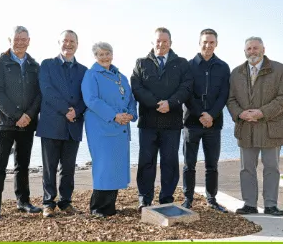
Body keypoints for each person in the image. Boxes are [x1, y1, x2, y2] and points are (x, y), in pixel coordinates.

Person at [227, 36, 283, 216]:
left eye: (256, 48)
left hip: (271, 128)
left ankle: (271, 205)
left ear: (264, 49)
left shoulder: (280, 69)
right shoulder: (236, 73)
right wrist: (240, 113)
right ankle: (249, 204)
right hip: (246, 128)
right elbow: (230, 99)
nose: (252, 52)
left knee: (271, 167)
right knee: (247, 169)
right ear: (244, 51)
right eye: (249, 49)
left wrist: (261, 112)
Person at [130, 27, 191, 210]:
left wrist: (171, 103)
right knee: (146, 161)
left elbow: (186, 87)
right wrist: (156, 103)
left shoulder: (181, 63)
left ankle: (166, 198)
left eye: (165, 41)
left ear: (170, 43)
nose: (161, 44)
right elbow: (136, 87)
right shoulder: (141, 63)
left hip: (172, 123)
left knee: (170, 162)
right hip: (148, 122)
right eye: (158, 41)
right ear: (152, 42)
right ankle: (144, 198)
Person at [0, 25, 42, 220]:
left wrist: (28, 115)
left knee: (23, 165)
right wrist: (17, 115)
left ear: (29, 41)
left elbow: (38, 94)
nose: (20, 42)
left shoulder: (35, 66)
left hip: (28, 124)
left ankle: (23, 201)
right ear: (9, 40)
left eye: (23, 39)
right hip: (5, 124)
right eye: (16, 39)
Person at [82, 42, 137, 218]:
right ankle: (98, 208)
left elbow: (130, 99)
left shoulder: (121, 77)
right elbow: (92, 100)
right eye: (101, 54)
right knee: (104, 166)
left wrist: (130, 114)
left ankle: (110, 207)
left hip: (120, 129)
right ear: (95, 57)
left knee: (115, 167)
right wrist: (114, 116)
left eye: (108, 53)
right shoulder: (91, 75)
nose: (105, 57)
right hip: (102, 129)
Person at [36, 30, 87, 217]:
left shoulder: (84, 70)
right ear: (59, 43)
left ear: (77, 44)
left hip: (73, 124)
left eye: (72, 41)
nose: (68, 44)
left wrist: (77, 110)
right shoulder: (47, 65)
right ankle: (48, 203)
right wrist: (66, 110)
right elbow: (47, 91)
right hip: (51, 124)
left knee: (68, 168)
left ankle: (65, 202)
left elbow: (86, 96)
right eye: (65, 40)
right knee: (49, 167)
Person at [181, 28, 230, 212]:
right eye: (205, 42)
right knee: (189, 164)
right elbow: (187, 94)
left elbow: (224, 94)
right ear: (199, 43)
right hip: (192, 123)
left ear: (216, 44)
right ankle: (188, 199)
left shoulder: (223, 67)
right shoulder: (188, 65)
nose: (208, 45)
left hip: (214, 124)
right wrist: (201, 114)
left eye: (211, 42)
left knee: (212, 165)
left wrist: (211, 115)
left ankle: (212, 199)